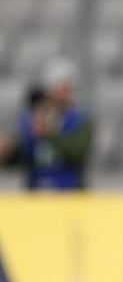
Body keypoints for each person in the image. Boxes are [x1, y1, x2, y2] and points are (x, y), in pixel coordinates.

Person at [1, 58, 93, 190]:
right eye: (61, 86)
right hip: (37, 190)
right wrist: (9, 150)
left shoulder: (81, 120)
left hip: (70, 191)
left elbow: (79, 152)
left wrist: (48, 134)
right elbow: (23, 153)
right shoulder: (32, 117)